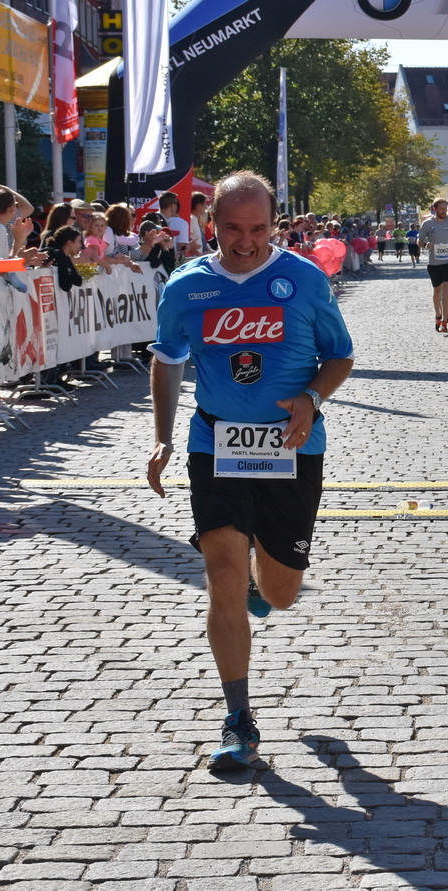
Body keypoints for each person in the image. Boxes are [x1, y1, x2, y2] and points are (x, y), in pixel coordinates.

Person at [145, 171, 354, 774]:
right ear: (212, 223)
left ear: (274, 222)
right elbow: (168, 359)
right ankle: (239, 719)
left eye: (258, 228)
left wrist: (312, 397)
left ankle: (268, 582)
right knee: (223, 574)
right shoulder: (187, 287)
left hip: (293, 448)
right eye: (233, 228)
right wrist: (161, 438)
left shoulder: (305, 280)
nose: (245, 240)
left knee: (280, 592)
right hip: (215, 444)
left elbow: (338, 356)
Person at [417, 199, 448, 333]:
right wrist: (424, 245)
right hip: (434, 263)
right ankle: (438, 315)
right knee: (437, 291)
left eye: (445, 208)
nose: (444, 211)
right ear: (435, 209)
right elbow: (420, 239)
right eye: (441, 209)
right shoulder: (428, 223)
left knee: (447, 288)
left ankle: (445, 322)